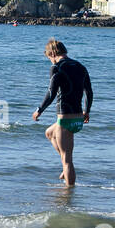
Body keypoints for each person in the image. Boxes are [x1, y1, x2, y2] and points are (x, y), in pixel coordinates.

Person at [31, 39, 93, 187]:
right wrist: (87, 111)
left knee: (67, 160)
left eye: (49, 58)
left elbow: (51, 93)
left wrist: (39, 110)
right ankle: (66, 169)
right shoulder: (80, 66)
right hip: (78, 118)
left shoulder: (57, 68)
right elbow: (89, 92)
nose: (50, 61)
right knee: (49, 133)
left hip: (65, 119)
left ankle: (69, 193)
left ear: (52, 53)